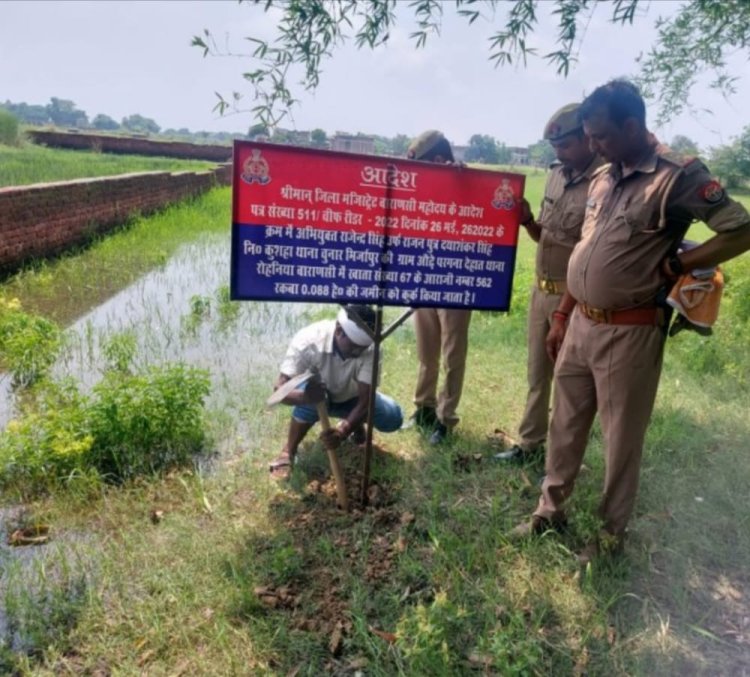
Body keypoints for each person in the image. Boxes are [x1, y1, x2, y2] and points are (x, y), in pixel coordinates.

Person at [513, 80, 750, 561]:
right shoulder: (604, 177)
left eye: (601, 136)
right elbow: (586, 252)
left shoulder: (675, 176)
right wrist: (562, 315)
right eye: (589, 136)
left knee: (621, 440)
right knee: (565, 424)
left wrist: (681, 263)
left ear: (632, 125)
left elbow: (740, 229)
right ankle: (548, 512)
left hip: (631, 329)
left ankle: (607, 538)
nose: (595, 146)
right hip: (580, 323)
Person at [494, 103, 602, 464]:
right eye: (554, 147)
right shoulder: (556, 175)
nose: (559, 153)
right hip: (542, 292)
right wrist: (527, 222)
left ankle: (560, 457)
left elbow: (592, 252)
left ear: (588, 139)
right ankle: (529, 445)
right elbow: (545, 235)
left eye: (566, 145)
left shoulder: (604, 182)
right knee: (537, 375)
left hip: (574, 298)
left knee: (569, 383)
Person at [269, 304, 403, 477]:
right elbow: (278, 393)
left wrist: (343, 431)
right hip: (317, 398)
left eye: (361, 348)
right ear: (339, 331)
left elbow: (365, 401)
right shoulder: (308, 340)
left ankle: (354, 423)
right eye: (354, 347)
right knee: (315, 397)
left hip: (354, 397)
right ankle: (288, 452)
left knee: (393, 418)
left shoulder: (370, 346)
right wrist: (304, 396)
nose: (358, 352)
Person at [406, 130, 472, 445]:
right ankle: (424, 408)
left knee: (452, 354)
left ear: (438, 161)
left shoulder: (466, 184)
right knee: (426, 350)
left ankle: (445, 420)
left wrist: (463, 180)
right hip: (424, 277)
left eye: (422, 166)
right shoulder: (419, 187)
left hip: (456, 281)